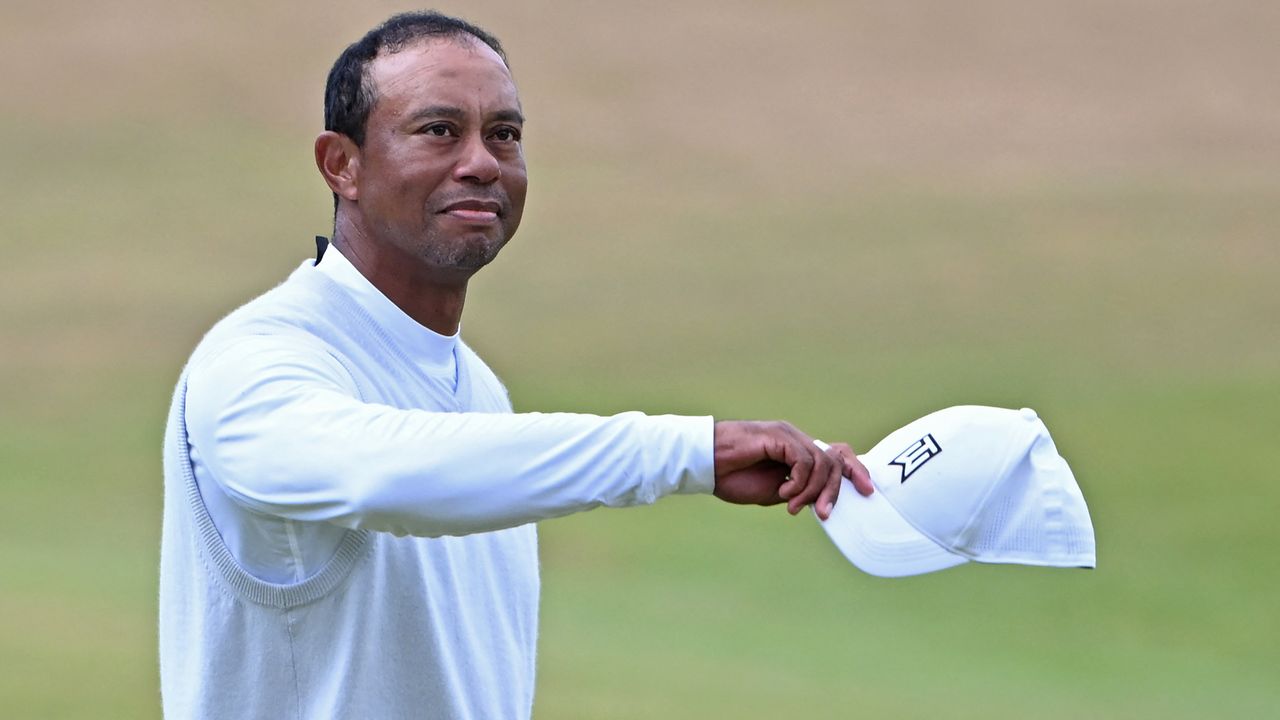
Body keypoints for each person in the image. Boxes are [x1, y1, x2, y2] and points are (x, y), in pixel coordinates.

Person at [159, 10, 873, 720]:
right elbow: (383, 472)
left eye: (504, 134)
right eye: (439, 130)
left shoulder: (482, 391)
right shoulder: (251, 365)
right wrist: (689, 451)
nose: (482, 162)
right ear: (341, 164)